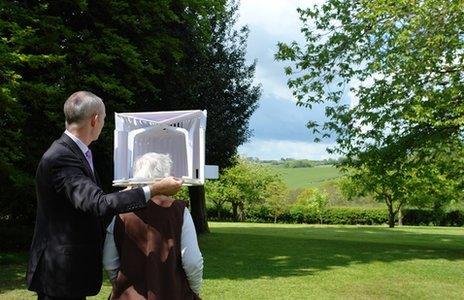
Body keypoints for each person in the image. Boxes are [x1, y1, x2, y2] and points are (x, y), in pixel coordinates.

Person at [26, 91, 183, 300]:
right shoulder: (61, 157)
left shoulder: (76, 153)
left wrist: (128, 195)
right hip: (59, 275)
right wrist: (154, 189)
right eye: (104, 120)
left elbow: (90, 201)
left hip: (68, 274)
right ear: (95, 119)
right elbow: (98, 204)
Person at [103, 152, 203, 299]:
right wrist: (194, 290)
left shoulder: (120, 210)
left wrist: (122, 287)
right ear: (165, 178)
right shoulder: (179, 210)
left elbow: (109, 261)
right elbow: (192, 261)